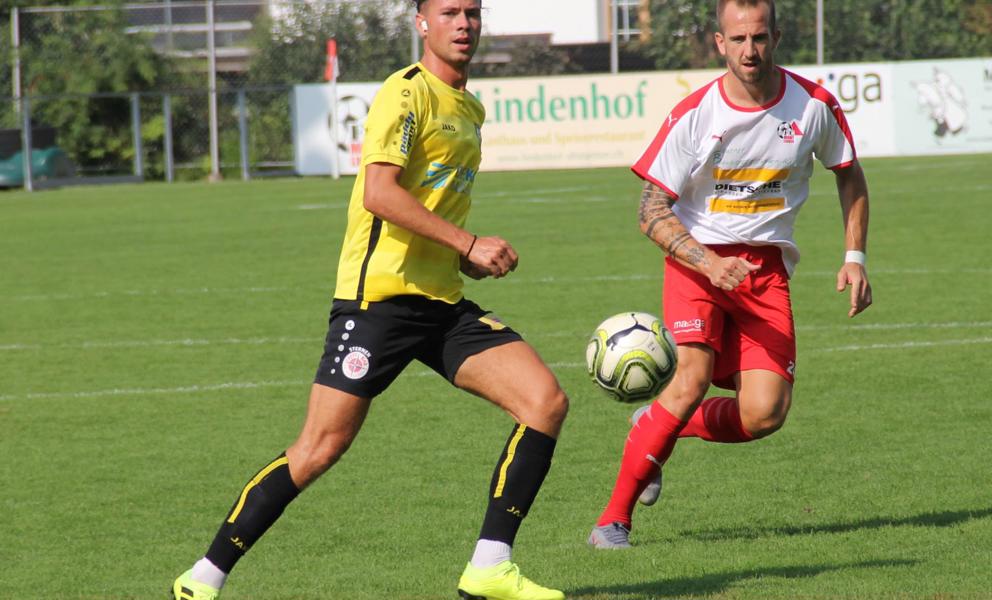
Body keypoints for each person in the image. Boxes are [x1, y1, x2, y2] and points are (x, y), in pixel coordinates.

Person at [171, 1, 569, 598]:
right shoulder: (405, 94)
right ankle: (202, 578)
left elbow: (427, 206)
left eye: (472, 12)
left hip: (441, 301)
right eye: (449, 12)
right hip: (377, 302)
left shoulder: (470, 106)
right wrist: (469, 240)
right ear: (421, 23)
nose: (463, 24)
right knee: (318, 448)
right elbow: (380, 193)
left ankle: (489, 566)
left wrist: (464, 257)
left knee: (544, 401)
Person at [588, 0, 872, 549]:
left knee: (765, 413)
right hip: (698, 264)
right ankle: (613, 520)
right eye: (738, 39)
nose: (749, 50)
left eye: (760, 38)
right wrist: (708, 263)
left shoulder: (813, 106)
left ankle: (655, 424)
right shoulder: (695, 114)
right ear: (720, 43)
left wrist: (854, 256)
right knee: (690, 381)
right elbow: (650, 211)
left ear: (777, 37)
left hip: (765, 273)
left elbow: (849, 175)